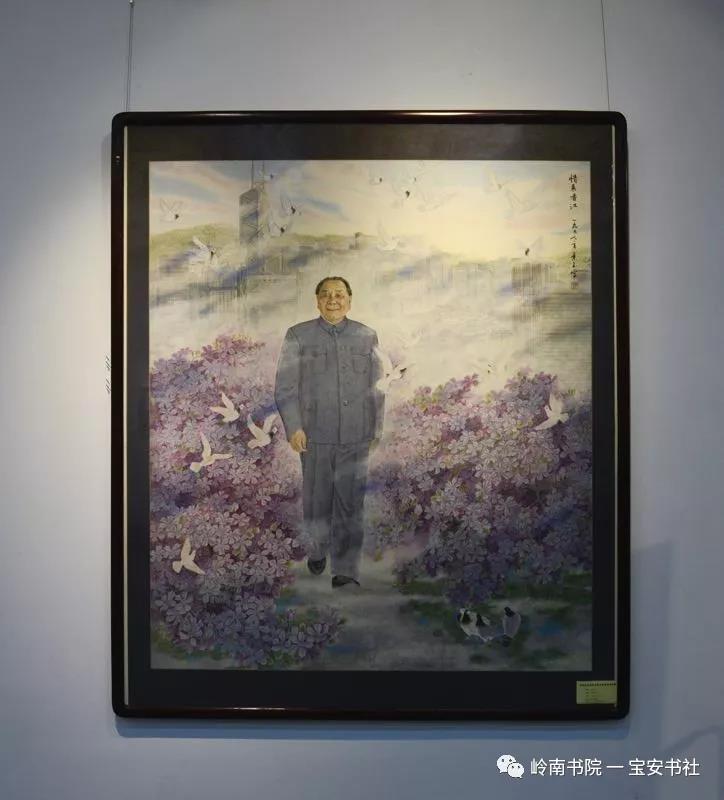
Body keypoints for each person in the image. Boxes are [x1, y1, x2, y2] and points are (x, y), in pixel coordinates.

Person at [274, 277, 384, 588]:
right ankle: (317, 549)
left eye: (339, 294)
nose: (333, 300)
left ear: (350, 299)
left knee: (351, 503)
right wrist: (294, 427)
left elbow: (378, 387)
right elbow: (285, 387)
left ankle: (345, 570)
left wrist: (375, 429)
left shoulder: (367, 335)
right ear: (317, 300)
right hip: (315, 435)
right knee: (317, 501)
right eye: (326, 295)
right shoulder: (298, 335)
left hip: (356, 434)